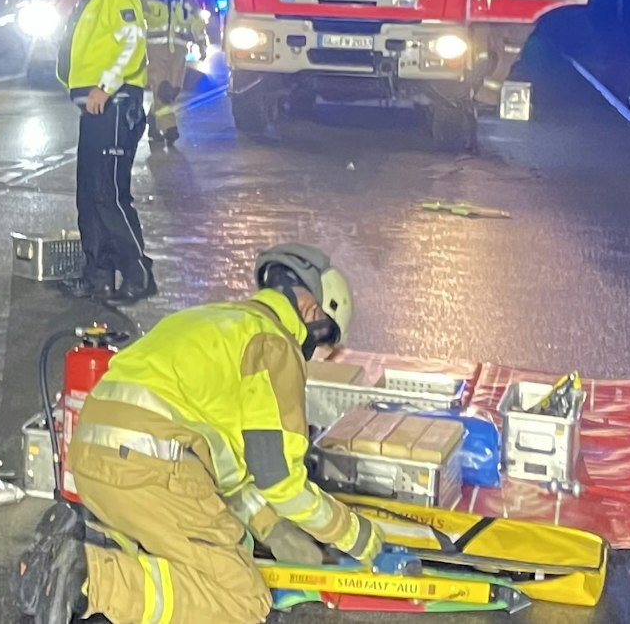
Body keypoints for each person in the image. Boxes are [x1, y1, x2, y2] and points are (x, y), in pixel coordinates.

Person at [22, 246, 385, 624]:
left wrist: (272, 529)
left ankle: (90, 548)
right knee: (240, 600)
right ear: (312, 311)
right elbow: (279, 479)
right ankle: (90, 577)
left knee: (181, 561)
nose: (313, 354)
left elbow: (226, 472)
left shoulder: (214, 319)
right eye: (322, 343)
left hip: (92, 458)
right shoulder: (274, 343)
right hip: (153, 465)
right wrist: (358, 536)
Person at [56, 0, 152, 302]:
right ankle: (97, 274)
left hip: (115, 105)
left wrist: (105, 86)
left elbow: (132, 45)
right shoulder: (84, 4)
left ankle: (136, 274)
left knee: (107, 195)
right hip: (95, 110)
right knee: (89, 195)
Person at [142, 0, 209, 149]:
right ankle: (170, 128)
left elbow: (197, 23)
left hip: (179, 51)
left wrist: (202, 44)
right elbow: (136, 26)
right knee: (162, 89)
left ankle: (153, 121)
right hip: (156, 51)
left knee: (173, 90)